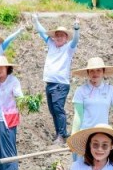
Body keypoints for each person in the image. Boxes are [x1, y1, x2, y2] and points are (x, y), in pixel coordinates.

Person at [32, 15, 79, 145]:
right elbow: (42, 32)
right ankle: (59, 133)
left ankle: (62, 135)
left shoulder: (69, 48)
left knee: (58, 109)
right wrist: (36, 21)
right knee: (53, 110)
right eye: (57, 35)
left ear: (66, 38)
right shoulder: (51, 44)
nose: (59, 37)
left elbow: (76, 39)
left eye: (62, 35)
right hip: (50, 83)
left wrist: (76, 28)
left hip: (61, 84)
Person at [71, 57, 113, 134]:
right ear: (88, 73)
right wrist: (73, 135)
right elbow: (78, 115)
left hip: (103, 134)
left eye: (98, 70)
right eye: (92, 71)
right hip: (85, 133)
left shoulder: (110, 90)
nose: (95, 73)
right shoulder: (81, 91)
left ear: (103, 72)